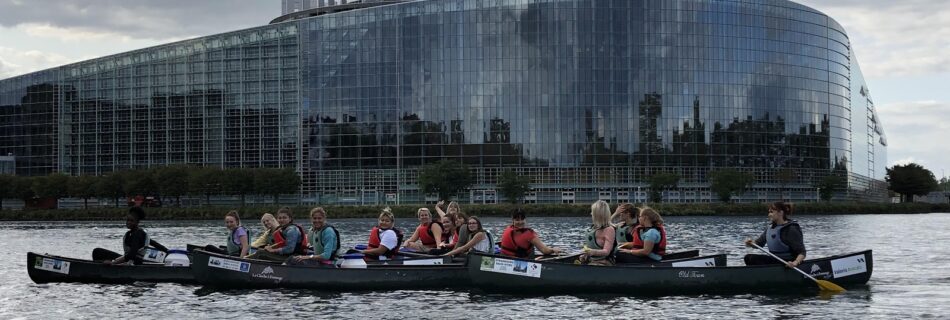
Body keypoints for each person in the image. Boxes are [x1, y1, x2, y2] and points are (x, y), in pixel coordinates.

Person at [744, 201, 806, 267]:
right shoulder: (770, 228)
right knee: (748, 258)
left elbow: (802, 252)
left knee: (752, 258)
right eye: (769, 212)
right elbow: (759, 244)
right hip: (775, 260)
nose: (769, 214)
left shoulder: (791, 229)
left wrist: (795, 263)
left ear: (780, 213)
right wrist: (750, 243)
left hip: (788, 262)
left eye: (771, 212)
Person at [579, 200, 616, 266]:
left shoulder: (609, 229)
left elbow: (606, 251)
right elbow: (588, 248)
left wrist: (592, 252)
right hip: (592, 261)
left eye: (593, 212)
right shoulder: (592, 229)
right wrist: (585, 255)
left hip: (604, 263)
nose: (591, 214)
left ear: (598, 214)